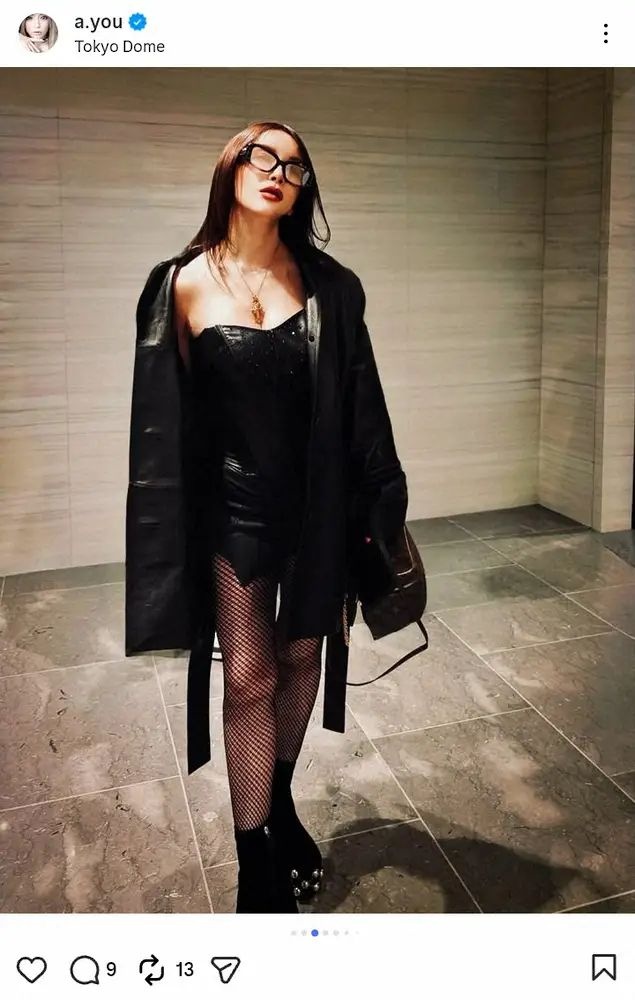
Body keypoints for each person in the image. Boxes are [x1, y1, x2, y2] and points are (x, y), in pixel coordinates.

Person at [125, 120, 408, 914]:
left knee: (302, 656)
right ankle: (254, 858)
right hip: (233, 511)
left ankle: (278, 804)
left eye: (295, 164)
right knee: (249, 676)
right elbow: (168, 421)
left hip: (317, 506)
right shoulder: (180, 284)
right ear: (232, 166)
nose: (278, 170)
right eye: (263, 155)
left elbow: (362, 405)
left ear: (302, 189)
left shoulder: (331, 286)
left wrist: (381, 506)